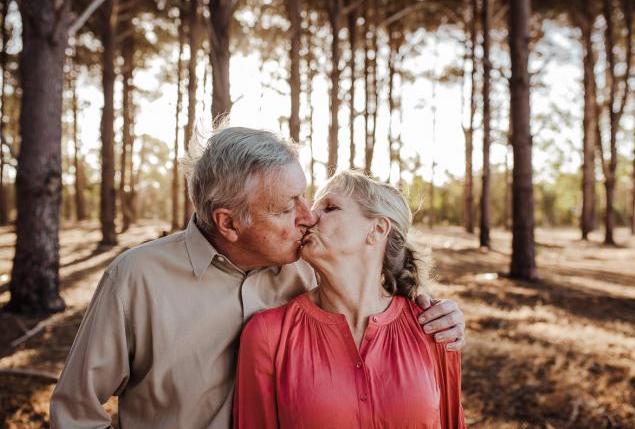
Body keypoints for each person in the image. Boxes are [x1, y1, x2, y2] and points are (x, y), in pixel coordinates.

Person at [50, 127, 465, 429]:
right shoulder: (136, 280)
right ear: (228, 224)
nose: (307, 217)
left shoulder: (310, 265)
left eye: (308, 198)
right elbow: (75, 413)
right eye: (287, 208)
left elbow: (375, 294)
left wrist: (438, 313)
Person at [233, 170, 465, 428]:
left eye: (330, 208)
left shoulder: (434, 328)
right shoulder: (268, 335)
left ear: (377, 229)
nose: (309, 218)